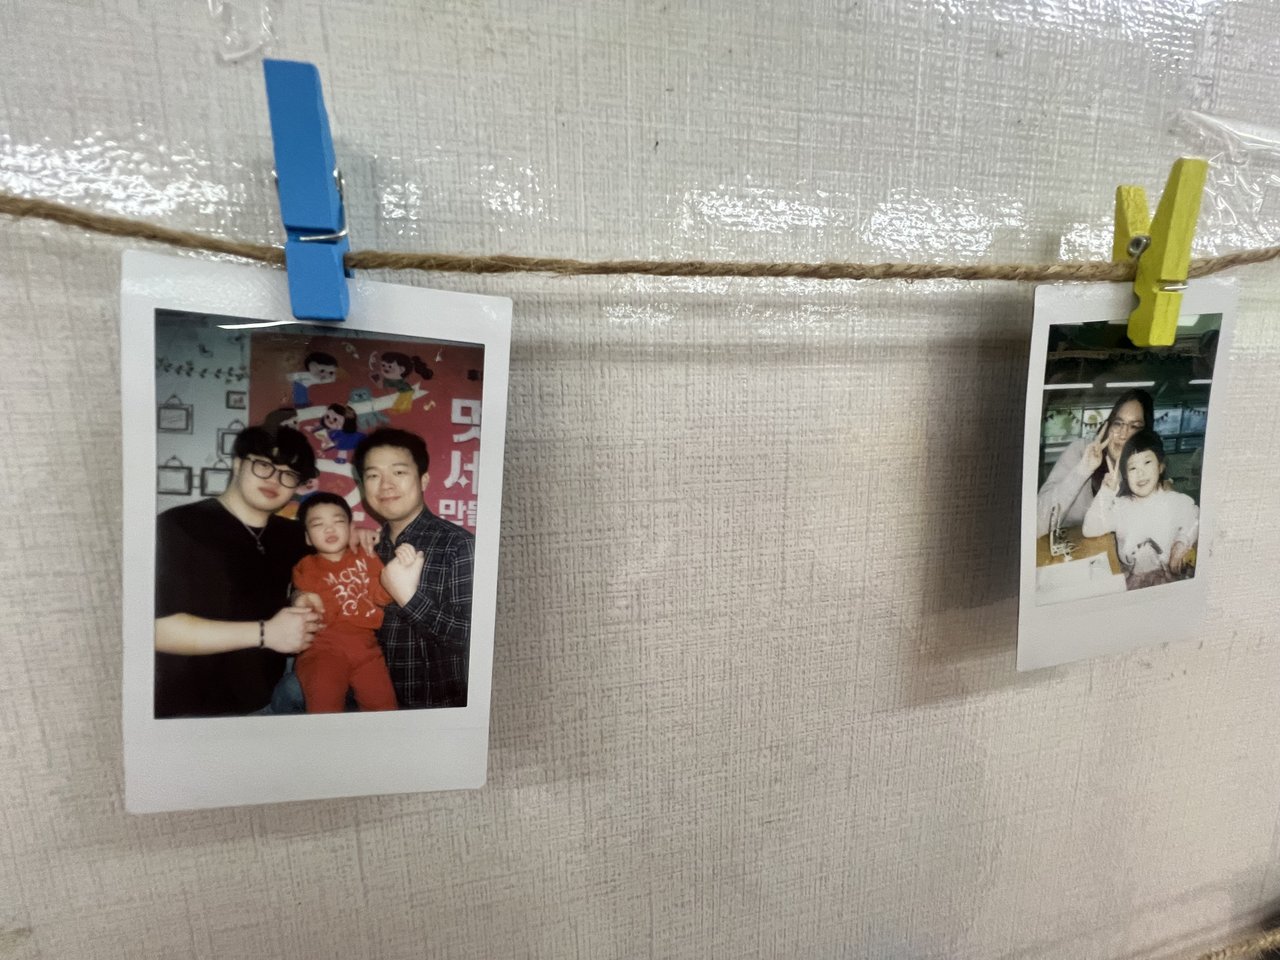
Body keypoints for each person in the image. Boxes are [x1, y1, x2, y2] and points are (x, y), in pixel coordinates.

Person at [154, 426, 323, 717]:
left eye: (288, 474)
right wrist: (265, 633)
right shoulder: (178, 526)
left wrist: (300, 596)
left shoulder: (293, 535)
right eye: (264, 465)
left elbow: (316, 566)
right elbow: (156, 630)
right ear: (237, 463)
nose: (274, 479)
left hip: (267, 704)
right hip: (189, 711)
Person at [353, 427, 474, 709]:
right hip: (369, 707)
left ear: (423, 480)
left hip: (435, 711)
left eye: (398, 472)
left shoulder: (458, 545)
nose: (385, 485)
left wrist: (409, 598)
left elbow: (475, 640)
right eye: (373, 476)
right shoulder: (367, 549)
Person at [291, 493, 419, 713]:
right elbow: (313, 613)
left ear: (351, 528)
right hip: (323, 649)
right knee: (324, 706)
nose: (329, 529)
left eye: (338, 521)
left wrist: (399, 574)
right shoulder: (307, 567)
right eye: (318, 524)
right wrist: (301, 600)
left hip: (367, 648)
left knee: (384, 707)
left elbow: (380, 595)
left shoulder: (366, 556)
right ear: (308, 538)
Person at [1082, 430, 1198, 590]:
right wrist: (1106, 492)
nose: (1140, 473)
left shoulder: (1175, 501)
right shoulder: (1121, 507)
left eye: (1147, 462)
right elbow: (1090, 529)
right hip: (1132, 585)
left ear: (1160, 466)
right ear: (1125, 476)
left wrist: (1182, 543)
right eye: (1132, 468)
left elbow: (1195, 519)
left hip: (1169, 584)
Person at [1036, 389, 1154, 537]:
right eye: (1118, 423)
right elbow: (1036, 523)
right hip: (1059, 545)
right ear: (1108, 426)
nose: (1123, 434)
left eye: (1134, 426)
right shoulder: (1081, 451)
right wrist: (1083, 470)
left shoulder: (1141, 474)